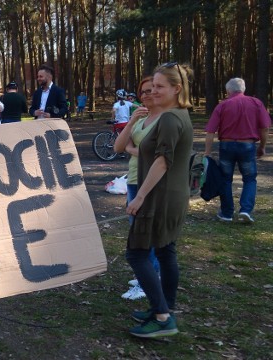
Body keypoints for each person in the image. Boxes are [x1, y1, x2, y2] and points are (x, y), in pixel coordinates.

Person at [125, 62, 194, 338]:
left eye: (160, 87)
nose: (154, 91)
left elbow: (163, 161)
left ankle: (163, 316)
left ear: (177, 88)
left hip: (159, 198)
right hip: (173, 195)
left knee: (137, 253)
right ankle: (164, 308)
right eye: (152, 86)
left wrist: (140, 196)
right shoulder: (180, 114)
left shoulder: (169, 119)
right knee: (165, 251)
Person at [113, 77, 161, 301]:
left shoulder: (164, 120)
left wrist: (135, 149)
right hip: (133, 178)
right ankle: (149, 273)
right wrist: (131, 122)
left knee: (144, 233)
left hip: (150, 181)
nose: (146, 95)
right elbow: (119, 146)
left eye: (151, 91)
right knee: (137, 229)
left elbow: (158, 156)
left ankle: (147, 281)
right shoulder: (141, 118)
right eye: (143, 92)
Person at [204, 78, 271, 224]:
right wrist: (262, 146)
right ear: (243, 89)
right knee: (249, 178)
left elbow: (210, 131)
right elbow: (265, 128)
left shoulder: (222, 105)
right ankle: (245, 210)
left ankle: (227, 213)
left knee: (226, 179)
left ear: (228, 91)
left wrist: (207, 153)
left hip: (226, 146)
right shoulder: (256, 103)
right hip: (247, 146)